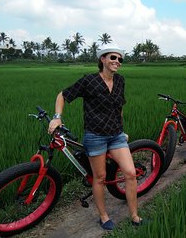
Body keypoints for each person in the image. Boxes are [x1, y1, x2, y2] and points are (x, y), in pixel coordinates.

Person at [47, 44, 143, 231]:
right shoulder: (89, 81)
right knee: (99, 178)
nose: (117, 62)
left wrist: (121, 129)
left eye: (120, 59)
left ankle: (135, 216)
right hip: (95, 136)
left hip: (116, 136)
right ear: (103, 60)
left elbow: (119, 107)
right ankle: (104, 216)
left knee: (130, 174)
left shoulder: (120, 81)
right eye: (113, 58)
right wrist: (57, 118)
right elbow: (63, 95)